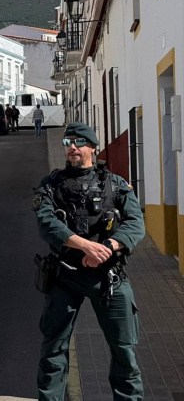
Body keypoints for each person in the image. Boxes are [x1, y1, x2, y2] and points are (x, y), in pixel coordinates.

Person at [32, 122, 144, 401]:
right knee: (53, 351)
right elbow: (46, 224)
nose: (71, 148)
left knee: (124, 352)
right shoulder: (51, 185)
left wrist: (107, 247)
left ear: (93, 147)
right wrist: (86, 247)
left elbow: (135, 224)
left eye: (78, 143)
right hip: (65, 276)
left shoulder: (116, 184)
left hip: (109, 277)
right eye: (67, 143)